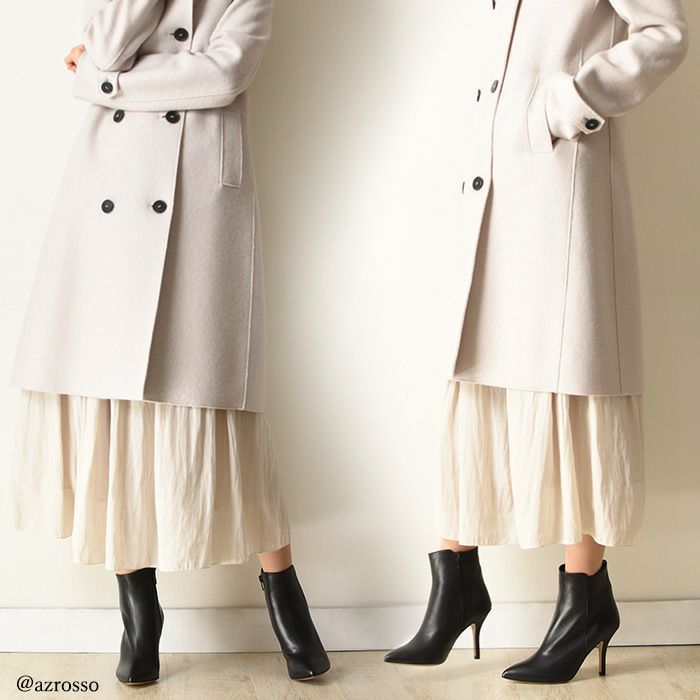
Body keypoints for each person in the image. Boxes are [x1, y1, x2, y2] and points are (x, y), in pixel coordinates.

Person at [6, 0, 329, 685]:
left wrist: (104, 81)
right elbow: (107, 42)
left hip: (198, 201)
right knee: (114, 408)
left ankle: (284, 596)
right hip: (109, 203)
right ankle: (140, 612)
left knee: (222, 409)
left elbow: (221, 77)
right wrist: (114, 60)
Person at [384, 0, 688, 684]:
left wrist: (569, 102)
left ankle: (585, 601)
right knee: (472, 376)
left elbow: (666, 34)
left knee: (573, 385)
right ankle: (456, 584)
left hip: (560, 180)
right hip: (490, 181)